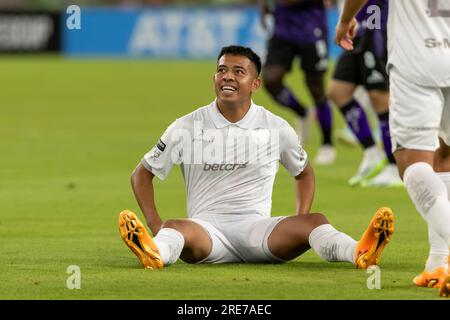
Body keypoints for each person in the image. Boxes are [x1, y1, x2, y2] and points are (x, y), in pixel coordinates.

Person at [118, 45, 393, 274]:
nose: (227, 77)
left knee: (314, 221)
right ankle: (155, 249)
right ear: (214, 78)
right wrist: (155, 225)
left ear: (255, 84)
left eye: (239, 72)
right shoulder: (186, 126)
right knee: (174, 228)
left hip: (259, 231)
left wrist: (299, 217)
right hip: (206, 231)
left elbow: (304, 173)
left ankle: (359, 251)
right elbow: (141, 174)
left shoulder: (276, 127)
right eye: (222, 70)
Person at [335, 0, 450, 297]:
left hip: (419, 61)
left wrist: (346, 17)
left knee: (413, 163)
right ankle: (437, 262)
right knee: (444, 154)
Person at [329, 0, 402, 187]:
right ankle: (372, 152)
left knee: (379, 96)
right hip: (361, 24)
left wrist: (345, 20)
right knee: (338, 91)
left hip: (377, 25)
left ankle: (395, 167)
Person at [259, 0, 336, 165]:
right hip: (283, 29)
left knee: (315, 86)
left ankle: (327, 144)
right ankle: (303, 113)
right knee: (271, 80)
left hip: (311, 28)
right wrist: (264, 6)